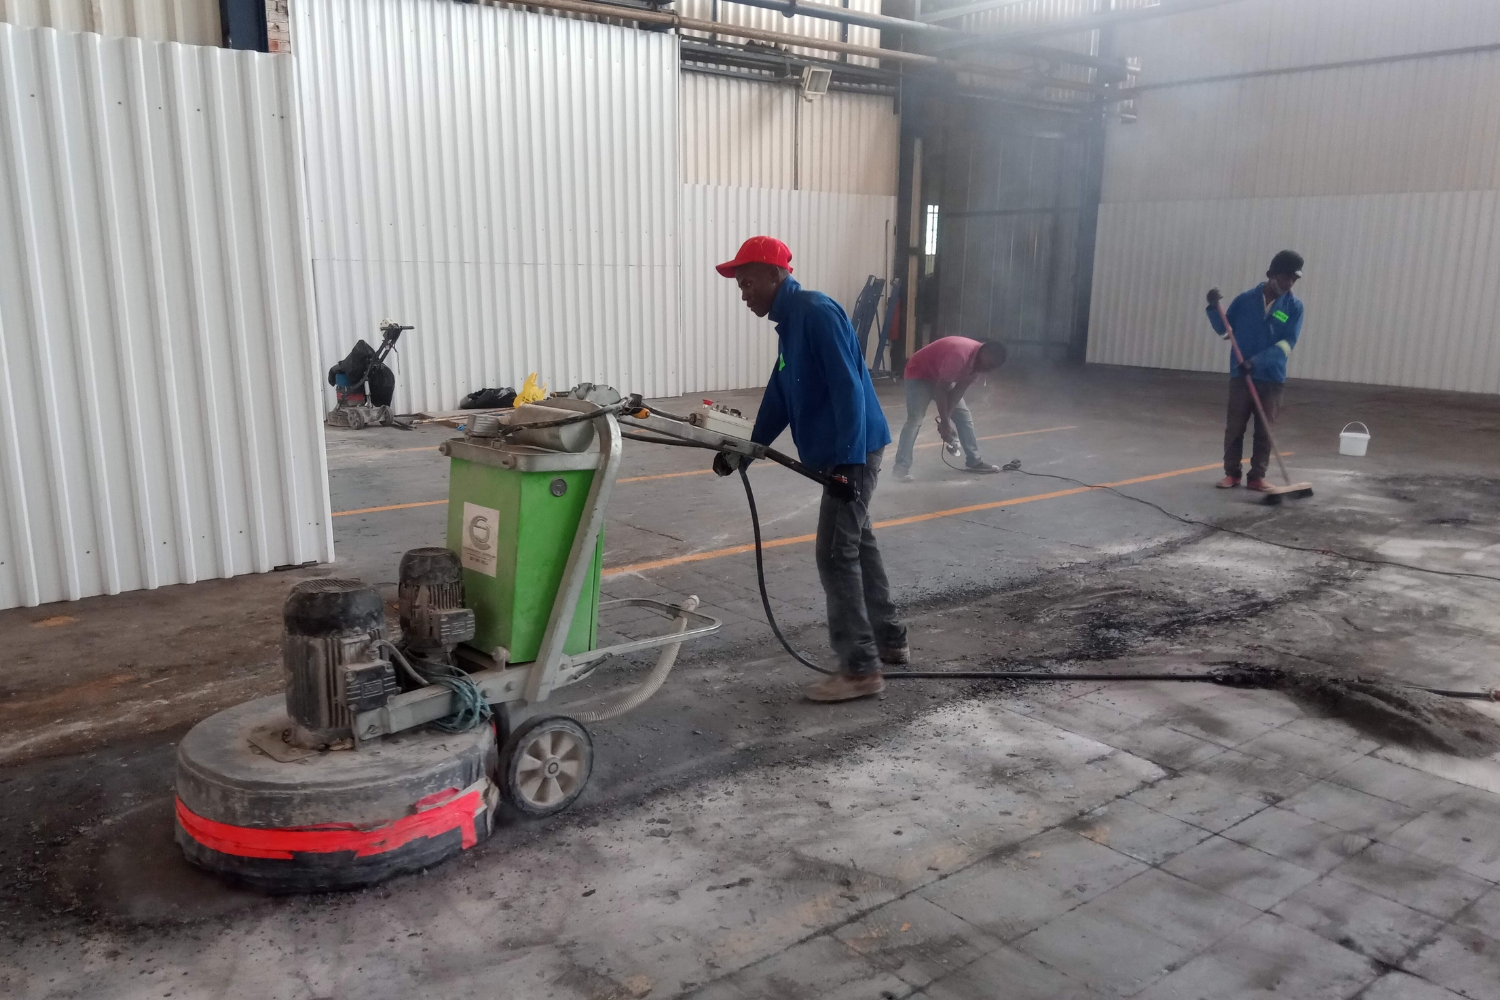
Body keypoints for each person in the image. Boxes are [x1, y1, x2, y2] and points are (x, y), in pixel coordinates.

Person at [711, 235, 908, 703]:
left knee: (835, 554)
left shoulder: (816, 312)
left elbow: (848, 388)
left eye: (749, 282)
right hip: (845, 453)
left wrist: (847, 463)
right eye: (739, 286)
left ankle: (860, 669)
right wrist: (746, 447)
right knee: (858, 544)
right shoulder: (790, 325)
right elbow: (780, 395)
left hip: (853, 452)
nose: (744, 294)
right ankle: (889, 639)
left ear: (777, 274)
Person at [1206, 250, 1305, 492]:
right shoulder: (1245, 300)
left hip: (1271, 378)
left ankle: (1257, 477)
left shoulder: (1294, 307)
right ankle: (1232, 474)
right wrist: (1212, 307)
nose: (1289, 283)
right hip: (1241, 376)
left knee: (1265, 430)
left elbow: (1286, 344)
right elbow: (1225, 331)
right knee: (1235, 427)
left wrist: (1258, 362)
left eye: (1294, 279)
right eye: (1285, 277)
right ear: (1271, 275)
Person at [892, 336, 1008, 482]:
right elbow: (941, 389)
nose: (987, 370)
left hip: (940, 377)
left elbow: (958, 391)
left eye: (991, 369)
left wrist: (944, 419)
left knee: (964, 416)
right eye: (988, 366)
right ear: (984, 352)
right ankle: (900, 468)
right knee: (915, 420)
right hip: (919, 375)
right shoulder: (959, 355)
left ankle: (974, 461)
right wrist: (946, 423)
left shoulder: (979, 365)